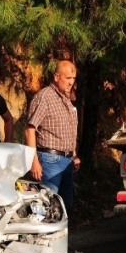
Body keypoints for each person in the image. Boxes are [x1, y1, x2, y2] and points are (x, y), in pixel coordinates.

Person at [25, 60, 79, 213]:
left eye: (73, 79)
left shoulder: (66, 99)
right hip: (49, 161)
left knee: (65, 207)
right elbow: (30, 129)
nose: (71, 83)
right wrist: (34, 161)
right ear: (56, 76)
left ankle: (60, 237)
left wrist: (74, 155)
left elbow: (68, 129)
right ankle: (42, 237)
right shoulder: (44, 97)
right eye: (68, 78)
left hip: (67, 161)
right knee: (47, 206)